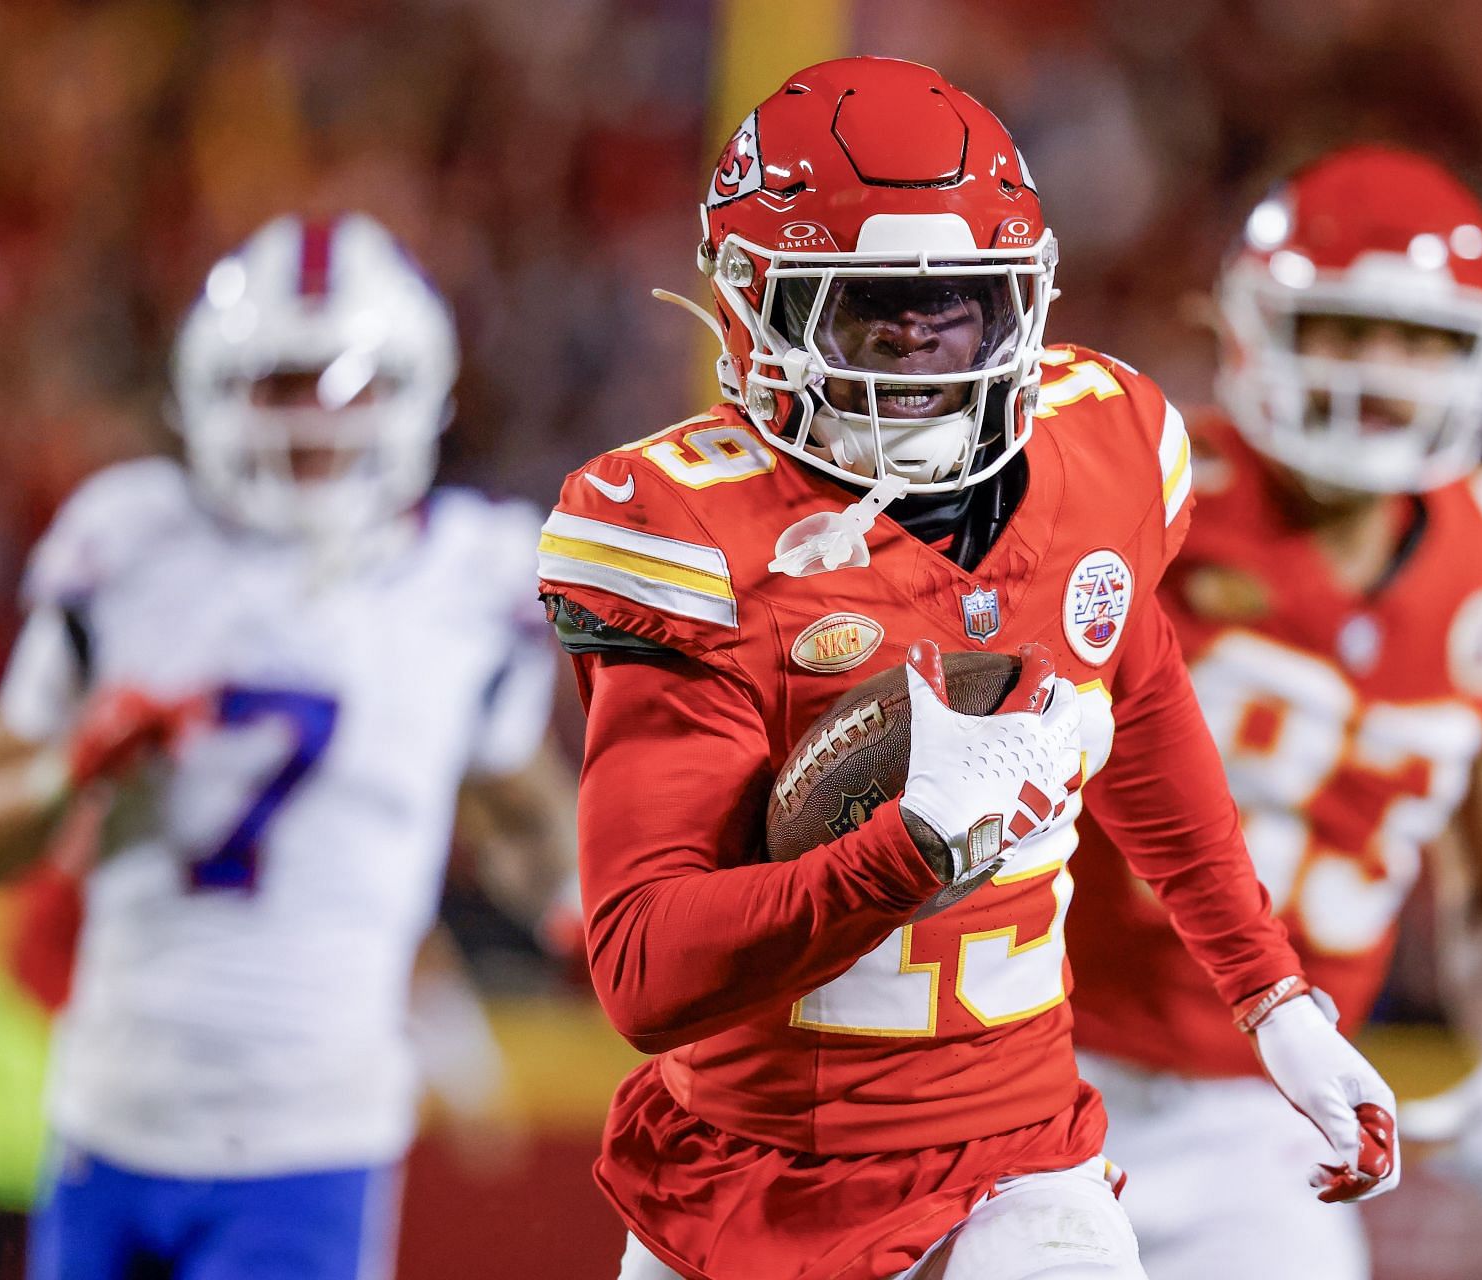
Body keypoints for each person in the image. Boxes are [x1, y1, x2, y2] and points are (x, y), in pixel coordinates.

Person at [538, 58, 1399, 1280]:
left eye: (961, 307)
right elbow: (642, 965)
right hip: (754, 1163)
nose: (922, 353)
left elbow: (1137, 697)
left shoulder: (1099, 449)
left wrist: (1274, 998)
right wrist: (901, 854)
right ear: (755, 308)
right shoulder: (691, 535)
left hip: (1021, 1156)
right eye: (871, 311)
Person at [0, 212, 581, 1280]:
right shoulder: (130, 540)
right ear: (213, 388)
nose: (307, 420)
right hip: (107, 1114)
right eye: (276, 383)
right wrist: (72, 765)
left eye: (340, 385)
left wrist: (607, 925)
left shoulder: (470, 577)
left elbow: (524, 820)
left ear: (410, 389)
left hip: (308, 1139)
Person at [1064, 145, 1482, 1279]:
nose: (1383, 372)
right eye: (1349, 328)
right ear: (1253, 324)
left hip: (1275, 1113)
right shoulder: (1138, 489)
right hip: (1032, 1063)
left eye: (1421, 339)